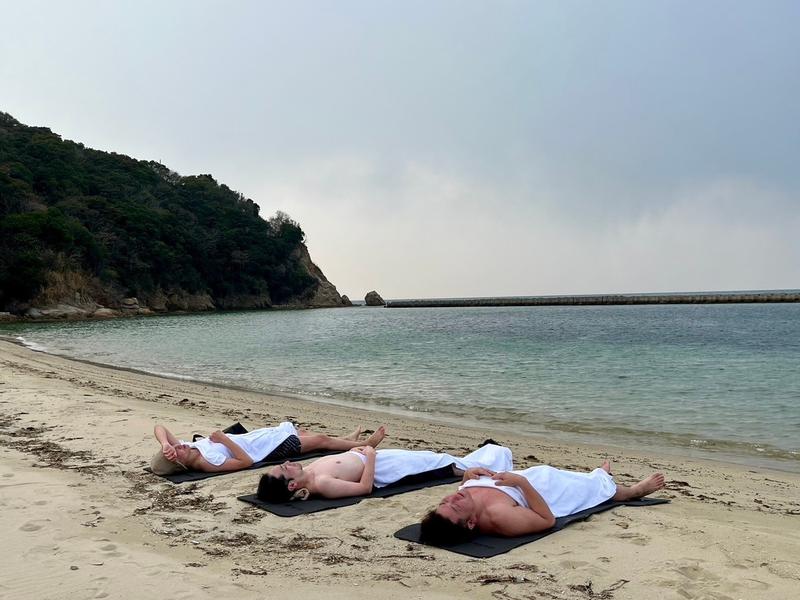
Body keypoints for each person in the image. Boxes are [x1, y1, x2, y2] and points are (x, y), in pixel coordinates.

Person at [420, 461, 665, 544]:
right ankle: (631, 491)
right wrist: (522, 484)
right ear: (471, 524)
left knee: (566, 475)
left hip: (526, 477)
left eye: (445, 500)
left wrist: (466, 478)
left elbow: (457, 496)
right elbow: (546, 520)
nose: (453, 497)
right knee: (590, 490)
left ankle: (599, 474)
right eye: (453, 506)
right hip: (543, 490)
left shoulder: (464, 504)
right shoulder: (499, 517)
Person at [257, 442, 513, 501]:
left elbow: (342, 461)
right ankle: (493, 459)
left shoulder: (309, 471)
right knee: (440, 463)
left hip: (376, 457)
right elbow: (364, 488)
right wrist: (369, 456)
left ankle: (487, 455)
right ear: (292, 485)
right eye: (284, 468)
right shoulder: (322, 483)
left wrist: (363, 448)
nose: (288, 462)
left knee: (434, 457)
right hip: (384, 468)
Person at [150, 422, 386, 475]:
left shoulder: (188, 447)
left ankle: (347, 438)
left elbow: (159, 426)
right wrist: (224, 440)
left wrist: (165, 445)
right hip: (266, 450)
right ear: (180, 463)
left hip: (257, 437)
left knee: (302, 433)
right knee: (320, 439)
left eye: (174, 446)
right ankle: (363, 444)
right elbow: (246, 463)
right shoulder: (206, 462)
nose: (178, 446)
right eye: (175, 452)